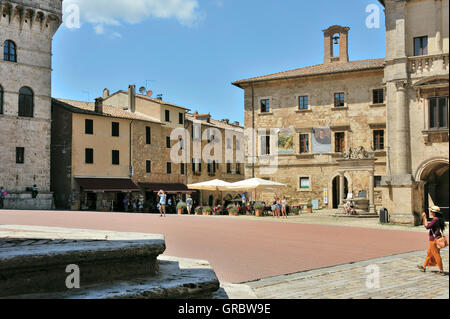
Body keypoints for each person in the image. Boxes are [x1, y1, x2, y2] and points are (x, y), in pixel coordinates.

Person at [417, 206, 446, 276]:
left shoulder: (435, 219)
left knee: (436, 255)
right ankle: (424, 267)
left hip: (433, 240)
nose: (430, 212)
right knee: (429, 253)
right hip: (435, 238)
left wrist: (424, 218)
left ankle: (441, 270)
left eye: (431, 211)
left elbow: (427, 226)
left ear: (434, 212)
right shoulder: (439, 219)